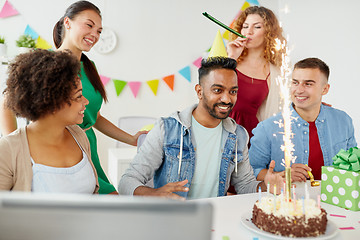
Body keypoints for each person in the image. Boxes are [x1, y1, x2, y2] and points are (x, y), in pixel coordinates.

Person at [0, 1, 146, 194]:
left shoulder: (89, 67)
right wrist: (17, 149)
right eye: (89, 25)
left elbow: (96, 118)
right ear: (67, 23)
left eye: (100, 31)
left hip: (84, 148)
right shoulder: (43, 65)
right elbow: (7, 104)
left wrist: (131, 139)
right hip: (48, 151)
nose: (95, 34)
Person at [118, 57, 283, 200]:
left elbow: (245, 185)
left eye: (233, 91)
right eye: (217, 90)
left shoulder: (238, 135)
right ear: (199, 91)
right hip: (170, 220)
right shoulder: (167, 129)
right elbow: (127, 182)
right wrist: (154, 194)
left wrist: (266, 185)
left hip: (212, 220)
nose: (227, 99)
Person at [0, 49, 99, 193]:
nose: (86, 101)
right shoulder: (7, 150)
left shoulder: (79, 136)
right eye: (78, 96)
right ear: (52, 102)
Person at [249, 57, 357, 182]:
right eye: (295, 82)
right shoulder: (267, 128)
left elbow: (352, 165)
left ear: (325, 89)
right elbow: (252, 171)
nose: (299, 90)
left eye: (308, 84)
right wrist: (283, 175)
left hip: (334, 199)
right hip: (289, 200)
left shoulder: (343, 121)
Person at [227, 6, 286, 140]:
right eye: (245, 26)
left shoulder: (274, 73)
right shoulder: (228, 59)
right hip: (219, 130)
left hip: (249, 137)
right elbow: (211, 91)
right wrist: (231, 58)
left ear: (269, 32)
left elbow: (284, 108)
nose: (249, 32)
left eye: (257, 27)